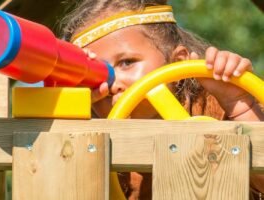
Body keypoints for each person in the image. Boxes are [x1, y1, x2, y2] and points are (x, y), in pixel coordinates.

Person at [59, 0, 264, 199]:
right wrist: (65, 106)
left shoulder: (216, 111)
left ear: (177, 62)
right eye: (97, 73)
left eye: (127, 62)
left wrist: (238, 104)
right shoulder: (92, 141)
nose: (113, 83)